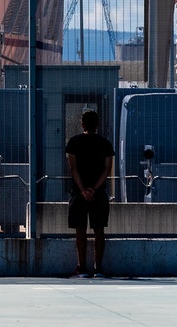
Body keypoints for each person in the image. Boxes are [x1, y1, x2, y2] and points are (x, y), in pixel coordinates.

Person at [64, 108, 116, 278]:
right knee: (99, 229)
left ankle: (81, 267)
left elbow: (73, 168)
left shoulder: (74, 142)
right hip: (98, 192)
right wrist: (93, 188)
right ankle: (98, 267)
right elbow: (107, 170)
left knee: (80, 229)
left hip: (78, 192)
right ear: (97, 124)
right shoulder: (105, 144)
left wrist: (83, 189)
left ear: (82, 124)